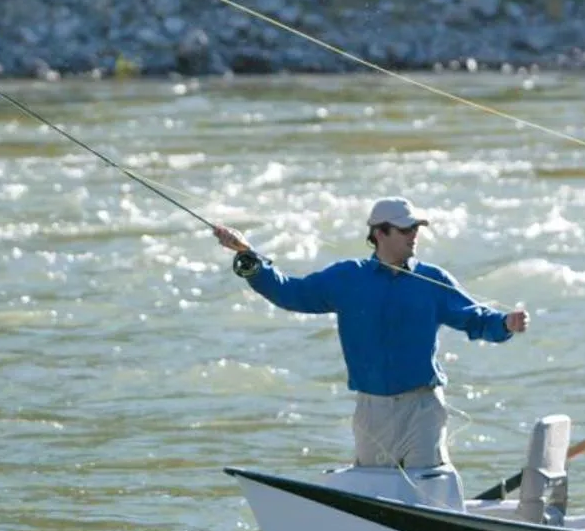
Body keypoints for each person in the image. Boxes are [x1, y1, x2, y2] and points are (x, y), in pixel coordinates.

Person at [213, 197, 528, 470]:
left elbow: (475, 319)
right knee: (378, 492)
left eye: (416, 228)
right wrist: (248, 254)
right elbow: (290, 293)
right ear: (380, 233)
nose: (413, 235)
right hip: (372, 410)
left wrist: (505, 324)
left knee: (426, 488)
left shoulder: (433, 280)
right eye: (405, 229)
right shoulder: (347, 277)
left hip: (423, 408)